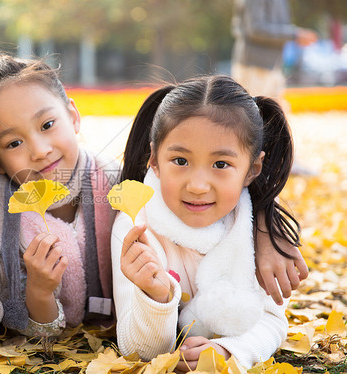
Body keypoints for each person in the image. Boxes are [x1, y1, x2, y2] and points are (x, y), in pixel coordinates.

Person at [112, 75, 301, 370]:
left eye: (221, 164)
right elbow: (136, 349)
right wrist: (156, 297)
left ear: (253, 169)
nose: (198, 185)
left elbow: (271, 321)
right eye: (180, 161)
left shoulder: (259, 231)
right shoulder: (135, 226)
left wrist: (227, 351)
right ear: (154, 160)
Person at [0, 55, 120, 337]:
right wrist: (39, 292)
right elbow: (37, 334)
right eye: (13, 143)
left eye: (47, 125)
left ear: (72, 116)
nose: (39, 150)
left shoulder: (116, 184)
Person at [231, 0, 317, 101]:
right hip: (255, 68)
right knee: (254, 113)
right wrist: (294, 35)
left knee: (275, 113)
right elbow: (256, 28)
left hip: (273, 66)